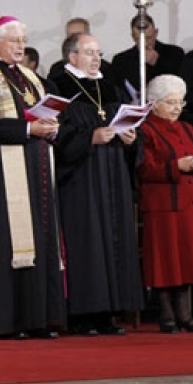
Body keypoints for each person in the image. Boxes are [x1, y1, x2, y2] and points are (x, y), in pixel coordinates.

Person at [0, 16, 65, 339]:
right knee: (11, 243)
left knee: (41, 237)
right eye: (14, 40)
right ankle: (10, 321)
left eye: (23, 40)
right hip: (4, 170)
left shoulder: (33, 78)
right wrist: (27, 128)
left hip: (37, 165)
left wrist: (51, 127)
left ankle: (40, 318)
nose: (21, 46)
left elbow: (48, 113)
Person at [51, 32, 143, 336]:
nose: (96, 58)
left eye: (98, 52)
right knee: (87, 241)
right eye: (89, 52)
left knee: (113, 239)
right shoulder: (60, 86)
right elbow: (57, 136)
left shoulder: (109, 87)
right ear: (72, 56)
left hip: (112, 173)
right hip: (81, 178)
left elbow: (123, 122)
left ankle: (108, 312)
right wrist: (89, 138)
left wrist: (131, 138)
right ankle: (82, 315)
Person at [136, 75, 193, 334]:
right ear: (154, 103)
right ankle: (166, 316)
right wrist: (177, 165)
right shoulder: (145, 129)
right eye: (171, 102)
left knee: (187, 259)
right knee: (165, 260)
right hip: (162, 203)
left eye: (180, 102)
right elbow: (144, 168)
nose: (177, 108)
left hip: (188, 202)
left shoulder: (187, 128)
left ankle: (186, 315)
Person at [110, 14, 184, 99]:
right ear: (133, 37)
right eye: (139, 39)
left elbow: (177, 84)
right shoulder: (121, 60)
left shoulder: (174, 53)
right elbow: (117, 91)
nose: (144, 43)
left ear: (156, 33)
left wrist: (157, 63)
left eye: (148, 38)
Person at [46, 17, 118, 86]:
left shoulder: (105, 69)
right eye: (70, 35)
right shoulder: (57, 69)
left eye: (78, 34)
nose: (74, 39)